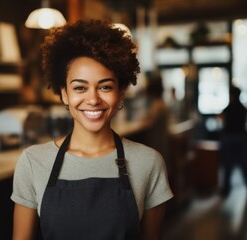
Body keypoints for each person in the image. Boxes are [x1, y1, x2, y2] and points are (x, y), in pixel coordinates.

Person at [11, 19, 173, 240]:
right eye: (80, 87)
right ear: (64, 94)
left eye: (105, 87)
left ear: (121, 93)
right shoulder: (33, 162)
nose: (93, 99)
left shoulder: (149, 163)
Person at [220, 86, 247, 197]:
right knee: (244, 164)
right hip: (241, 137)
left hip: (228, 138)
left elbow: (222, 119)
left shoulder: (228, 108)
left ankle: (226, 188)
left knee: (227, 164)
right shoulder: (243, 108)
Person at [141, 72, 171, 173]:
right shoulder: (161, 104)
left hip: (157, 143)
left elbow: (149, 123)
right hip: (161, 143)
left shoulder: (157, 106)